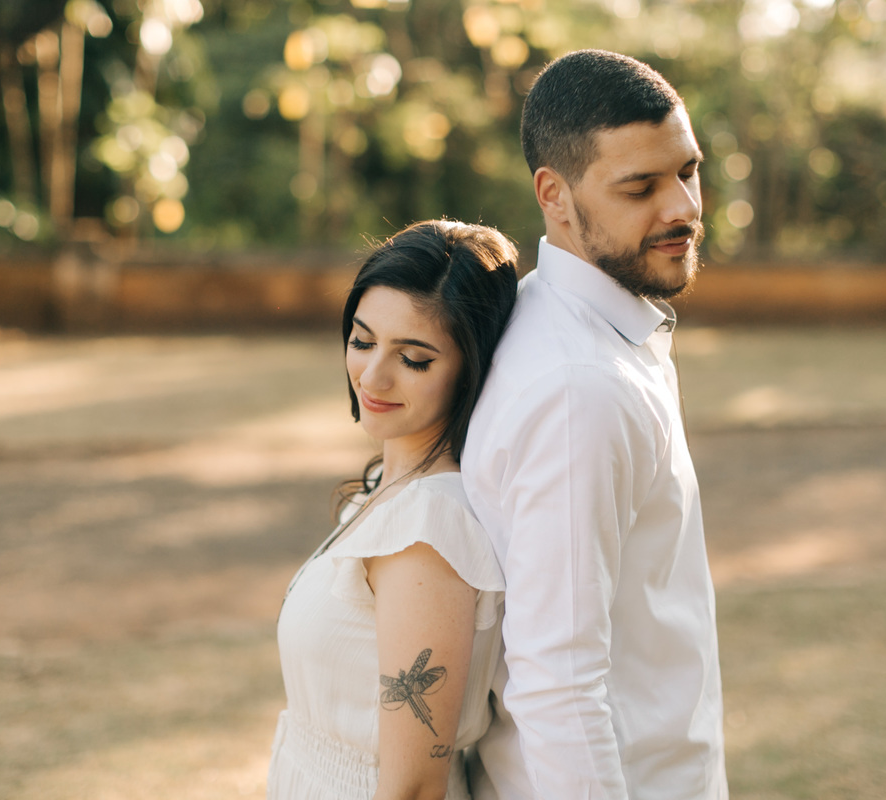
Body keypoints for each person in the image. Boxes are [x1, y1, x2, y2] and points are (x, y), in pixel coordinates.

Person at [461, 50, 728, 798]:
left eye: (688, 171)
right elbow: (558, 683)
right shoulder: (579, 388)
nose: (682, 208)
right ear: (554, 194)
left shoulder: (586, 328)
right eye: (640, 187)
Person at [269, 220, 518, 800]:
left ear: (470, 369)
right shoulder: (391, 487)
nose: (373, 376)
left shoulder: (426, 532)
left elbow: (413, 787)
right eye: (362, 341)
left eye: (413, 359)